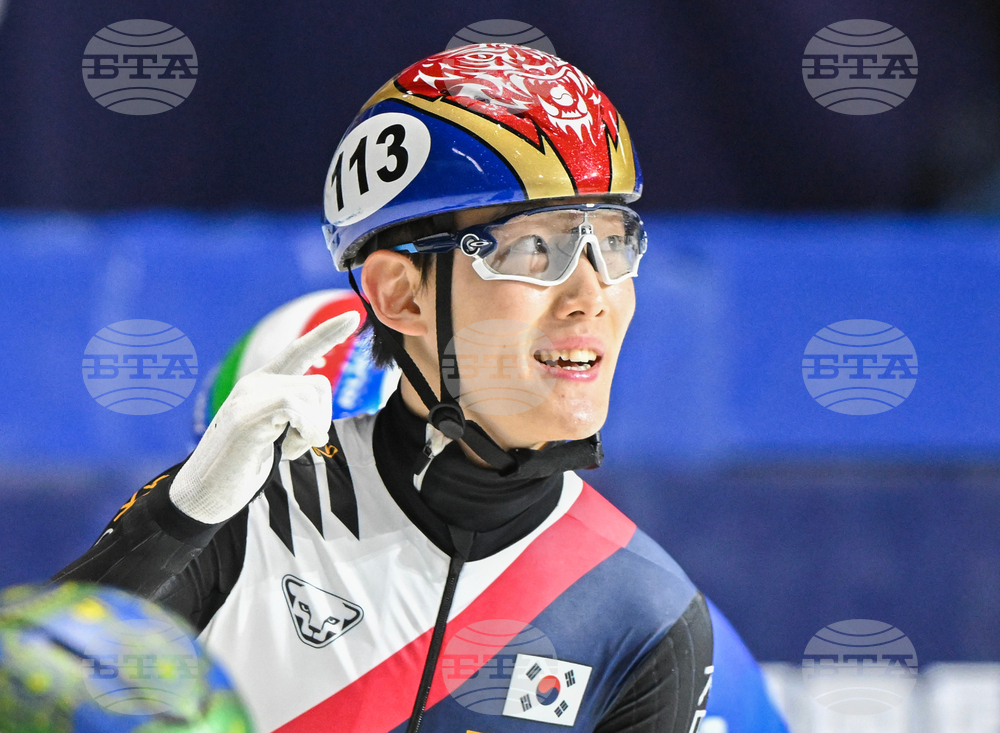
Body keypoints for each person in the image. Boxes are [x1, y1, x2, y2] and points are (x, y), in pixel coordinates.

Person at [55, 44, 716, 731]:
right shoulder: (255, 513)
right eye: (535, 248)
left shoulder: (647, 613)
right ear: (400, 296)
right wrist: (180, 517)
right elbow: (30, 696)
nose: (593, 294)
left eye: (613, 242)